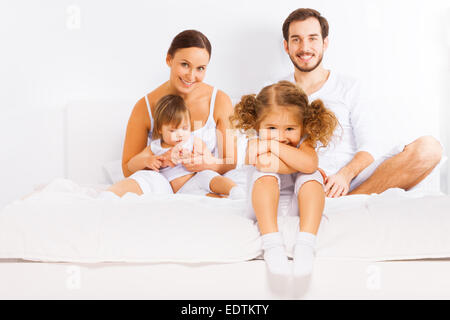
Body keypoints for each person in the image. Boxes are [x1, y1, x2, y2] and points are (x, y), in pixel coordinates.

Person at [278, 8, 442, 198]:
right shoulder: (274, 90)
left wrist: (344, 176)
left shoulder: (350, 87)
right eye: (296, 39)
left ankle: (349, 200)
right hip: (306, 179)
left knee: (429, 149)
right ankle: (330, 201)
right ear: (286, 46)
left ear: (325, 43)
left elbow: (370, 146)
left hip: (353, 178)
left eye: (313, 38)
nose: (305, 47)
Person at [101, 30, 237, 198]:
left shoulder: (220, 101)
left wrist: (209, 164)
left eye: (200, 68)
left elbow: (231, 161)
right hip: (161, 180)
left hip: (199, 180)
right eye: (185, 64)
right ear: (169, 59)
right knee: (136, 183)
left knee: (218, 190)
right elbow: (128, 168)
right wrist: (156, 162)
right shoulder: (145, 107)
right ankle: (104, 200)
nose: (191, 75)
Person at [231, 81, 338, 276]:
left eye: (290, 129)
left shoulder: (304, 141)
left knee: (312, 176)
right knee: (266, 173)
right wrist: (300, 163)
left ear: (303, 126)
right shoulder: (254, 140)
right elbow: (264, 163)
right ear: (257, 125)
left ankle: (306, 243)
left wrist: (273, 147)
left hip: (299, 208)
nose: (280, 136)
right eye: (271, 128)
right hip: (262, 210)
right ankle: (272, 244)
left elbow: (310, 165)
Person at [147, 94, 245, 198]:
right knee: (204, 197)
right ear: (160, 129)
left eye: (185, 128)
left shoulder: (192, 140)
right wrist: (164, 160)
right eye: (173, 130)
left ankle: (235, 190)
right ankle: (224, 202)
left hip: (198, 175)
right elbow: (151, 164)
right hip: (182, 188)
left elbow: (207, 157)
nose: (180, 134)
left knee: (211, 177)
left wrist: (199, 155)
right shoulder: (156, 147)